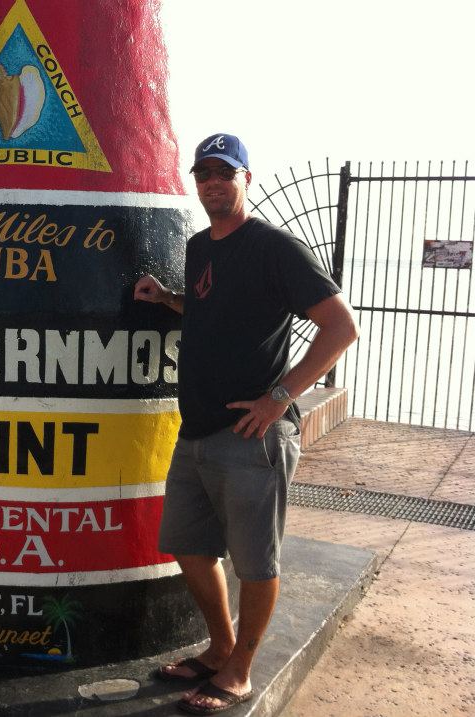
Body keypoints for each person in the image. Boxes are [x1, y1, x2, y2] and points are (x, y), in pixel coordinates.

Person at [134, 133, 358, 715]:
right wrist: (167, 299)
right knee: (187, 547)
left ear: (246, 180)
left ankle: (240, 671)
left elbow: (341, 327)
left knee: (255, 562)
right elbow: (211, 307)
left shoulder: (275, 248)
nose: (212, 182)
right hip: (197, 430)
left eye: (223, 173)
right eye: (203, 173)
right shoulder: (199, 246)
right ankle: (219, 648)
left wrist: (279, 397)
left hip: (253, 436)